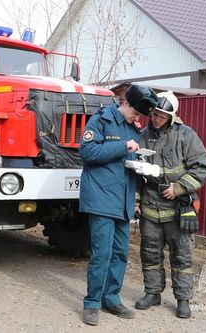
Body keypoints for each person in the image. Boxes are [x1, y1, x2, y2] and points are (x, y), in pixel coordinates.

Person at [79, 84, 158, 326]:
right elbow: (88, 152)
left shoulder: (132, 128)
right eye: (135, 114)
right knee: (101, 253)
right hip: (101, 198)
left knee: (121, 254)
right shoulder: (101, 120)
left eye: (139, 116)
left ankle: (111, 298)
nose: (137, 119)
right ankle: (92, 303)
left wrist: (143, 169)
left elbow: (128, 164)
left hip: (123, 201)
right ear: (124, 104)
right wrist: (122, 147)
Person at [134, 91, 206, 318]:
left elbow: (202, 168)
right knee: (149, 253)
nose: (157, 119)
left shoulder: (186, 135)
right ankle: (152, 293)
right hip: (149, 207)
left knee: (182, 256)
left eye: (162, 116)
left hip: (178, 209)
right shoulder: (142, 136)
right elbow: (136, 174)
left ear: (172, 116)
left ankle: (183, 299)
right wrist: (136, 201)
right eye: (155, 114)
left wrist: (178, 188)